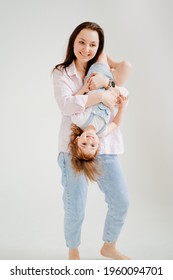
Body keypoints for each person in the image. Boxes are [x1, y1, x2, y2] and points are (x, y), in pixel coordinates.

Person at [53, 21, 132, 260]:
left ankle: (109, 245)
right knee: (75, 205)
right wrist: (99, 94)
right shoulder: (61, 72)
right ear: (73, 42)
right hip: (74, 148)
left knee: (121, 200)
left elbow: (121, 92)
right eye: (81, 42)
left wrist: (107, 85)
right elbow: (67, 105)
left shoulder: (102, 69)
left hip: (105, 146)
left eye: (93, 44)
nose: (86, 49)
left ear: (99, 48)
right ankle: (73, 249)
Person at [69, 52, 128, 181]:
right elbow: (116, 124)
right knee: (127, 67)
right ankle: (112, 66)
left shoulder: (79, 120)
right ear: (98, 146)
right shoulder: (102, 132)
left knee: (101, 54)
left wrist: (84, 88)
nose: (89, 141)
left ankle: (108, 63)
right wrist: (122, 107)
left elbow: (76, 101)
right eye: (92, 146)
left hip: (97, 78)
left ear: (77, 140)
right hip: (112, 86)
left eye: (84, 144)